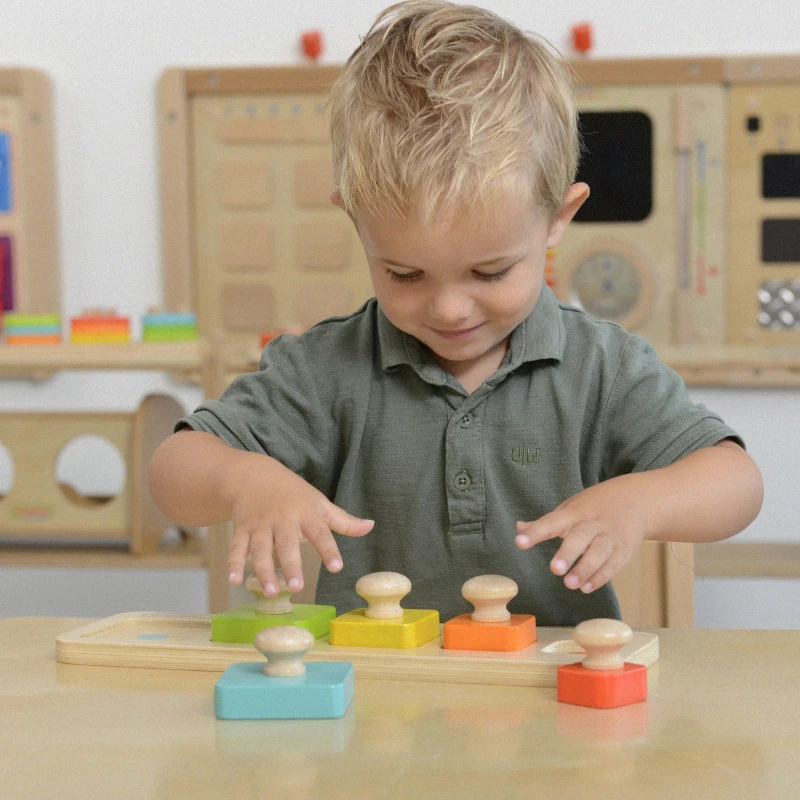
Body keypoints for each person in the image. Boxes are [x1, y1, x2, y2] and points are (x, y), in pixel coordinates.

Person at [148, 0, 763, 625]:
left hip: (548, 683)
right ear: (356, 222)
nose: (448, 308)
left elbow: (736, 482)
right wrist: (244, 480)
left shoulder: (603, 368)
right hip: (375, 683)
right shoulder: (324, 369)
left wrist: (642, 502)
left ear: (558, 218)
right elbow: (174, 472)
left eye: (490, 272)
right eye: (404, 274)